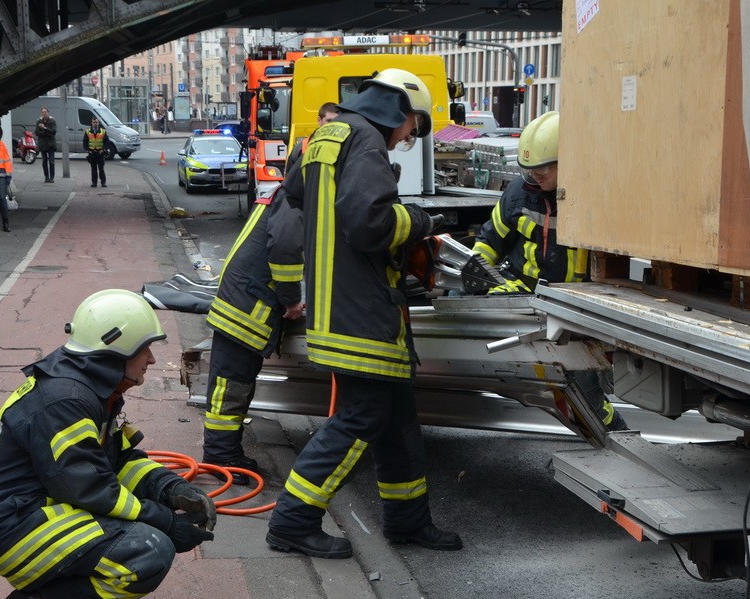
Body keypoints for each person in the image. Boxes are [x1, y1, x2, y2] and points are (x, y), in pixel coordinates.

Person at [265, 70, 461, 559]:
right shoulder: (368, 141)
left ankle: (408, 522)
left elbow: (294, 192)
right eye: (413, 125)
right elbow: (369, 222)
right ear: (399, 110)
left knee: (397, 421)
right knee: (362, 417)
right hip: (364, 313)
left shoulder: (328, 135)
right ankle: (291, 522)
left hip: (337, 306)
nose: (409, 137)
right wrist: (420, 219)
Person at [0, 289, 216, 599]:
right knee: (147, 550)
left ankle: (63, 594)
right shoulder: (67, 400)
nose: (151, 358)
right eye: (144, 349)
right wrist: (166, 521)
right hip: (9, 527)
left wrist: (171, 488)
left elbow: (117, 462)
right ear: (115, 349)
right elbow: (89, 486)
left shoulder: (91, 389)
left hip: (34, 512)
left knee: (132, 539)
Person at [200, 102, 341, 486]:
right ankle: (219, 457)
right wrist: (293, 299)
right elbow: (284, 252)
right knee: (231, 385)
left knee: (235, 383)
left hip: (242, 300)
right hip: (246, 306)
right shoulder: (297, 199)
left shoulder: (288, 192)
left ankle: (224, 452)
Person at [470, 110, 627, 431]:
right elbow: (490, 239)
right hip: (523, 299)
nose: (535, 176)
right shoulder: (519, 193)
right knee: (547, 382)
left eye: (543, 168)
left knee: (583, 390)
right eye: (529, 169)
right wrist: (474, 274)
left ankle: (613, 433)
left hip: (574, 310)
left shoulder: (593, 197)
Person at [82, 116, 110, 187]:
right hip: (92, 153)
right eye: (93, 122)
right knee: (93, 169)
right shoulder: (88, 131)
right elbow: (85, 142)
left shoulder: (103, 131)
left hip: (100, 153)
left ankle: (103, 182)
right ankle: (94, 183)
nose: (95, 124)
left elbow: (107, 142)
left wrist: (103, 149)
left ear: (98, 123)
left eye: (96, 122)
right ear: (91, 123)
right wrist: (88, 149)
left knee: (101, 169)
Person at [35, 106, 57, 183]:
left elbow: (53, 132)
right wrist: (46, 132)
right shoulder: (39, 121)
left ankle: (52, 177)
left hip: (51, 144)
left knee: (51, 161)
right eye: (43, 112)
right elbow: (37, 132)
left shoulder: (52, 121)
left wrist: (44, 128)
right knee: (44, 161)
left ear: (48, 112)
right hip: (43, 144)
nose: (44, 113)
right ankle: (46, 177)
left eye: (45, 112)